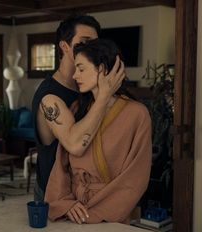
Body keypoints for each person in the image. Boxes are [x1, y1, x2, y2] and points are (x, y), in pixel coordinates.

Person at [44, 39, 152, 224]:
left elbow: (136, 177)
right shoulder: (78, 109)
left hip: (112, 212)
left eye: (81, 68)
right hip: (74, 211)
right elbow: (61, 166)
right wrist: (66, 204)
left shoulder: (137, 114)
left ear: (101, 69)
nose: (75, 75)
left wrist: (94, 214)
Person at [32, 14, 125, 201]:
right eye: (83, 43)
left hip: (87, 194)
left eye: (95, 43)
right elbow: (75, 145)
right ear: (64, 47)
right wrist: (104, 97)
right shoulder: (49, 97)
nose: (91, 49)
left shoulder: (90, 88)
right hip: (55, 196)